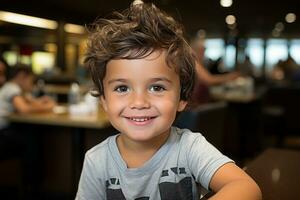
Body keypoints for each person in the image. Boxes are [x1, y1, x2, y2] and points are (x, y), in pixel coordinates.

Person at [76, 2, 261, 200]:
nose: (139, 102)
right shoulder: (96, 161)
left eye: (157, 87)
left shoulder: (190, 148)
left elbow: (246, 187)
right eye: (122, 88)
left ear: (182, 98)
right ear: (104, 99)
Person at [0, 64, 56, 130]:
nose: (32, 85)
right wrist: (47, 107)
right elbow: (23, 109)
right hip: (3, 129)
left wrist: (41, 101)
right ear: (21, 76)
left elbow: (31, 102)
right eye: (31, 81)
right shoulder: (12, 87)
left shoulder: (14, 88)